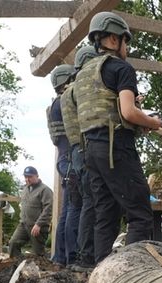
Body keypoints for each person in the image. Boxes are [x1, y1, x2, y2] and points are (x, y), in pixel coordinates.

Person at [74, 12, 162, 264]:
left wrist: (135, 120)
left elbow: (105, 112)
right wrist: (152, 122)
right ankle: (131, 277)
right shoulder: (121, 68)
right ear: (114, 38)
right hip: (116, 149)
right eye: (126, 41)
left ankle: (101, 276)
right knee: (140, 214)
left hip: (90, 150)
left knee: (106, 215)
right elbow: (128, 111)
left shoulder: (83, 74)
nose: (128, 47)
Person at [61, 45, 100, 271]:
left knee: (85, 203)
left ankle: (83, 254)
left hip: (77, 151)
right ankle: (87, 256)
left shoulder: (66, 93)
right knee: (90, 203)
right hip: (84, 150)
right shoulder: (79, 90)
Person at [47, 64, 80, 266]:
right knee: (75, 208)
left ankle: (60, 257)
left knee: (67, 210)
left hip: (64, 160)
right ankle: (71, 257)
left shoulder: (55, 105)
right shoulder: (64, 103)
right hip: (70, 160)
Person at [9, 166, 53, 258]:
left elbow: (48, 209)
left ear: (37, 176)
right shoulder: (25, 189)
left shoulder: (45, 190)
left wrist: (39, 224)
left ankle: (42, 270)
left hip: (37, 227)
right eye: (25, 177)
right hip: (23, 224)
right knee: (13, 243)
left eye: (30, 177)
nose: (27, 179)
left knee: (38, 253)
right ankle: (18, 266)